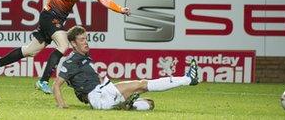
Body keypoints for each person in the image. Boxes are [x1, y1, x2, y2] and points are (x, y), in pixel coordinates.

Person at [0, 0, 130, 95]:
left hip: (59, 19)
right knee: (63, 44)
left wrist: (120, 9)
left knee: (31, 51)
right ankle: (43, 81)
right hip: (48, 15)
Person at [53, 26, 199, 109]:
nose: (86, 42)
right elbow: (56, 85)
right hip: (98, 96)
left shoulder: (83, 58)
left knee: (149, 104)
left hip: (100, 96)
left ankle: (126, 106)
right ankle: (188, 79)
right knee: (142, 84)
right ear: (73, 44)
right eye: (82, 39)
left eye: (86, 38)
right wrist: (62, 105)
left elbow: (84, 82)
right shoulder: (71, 61)